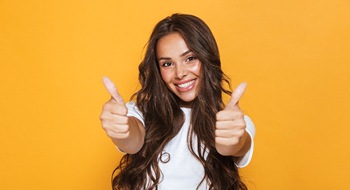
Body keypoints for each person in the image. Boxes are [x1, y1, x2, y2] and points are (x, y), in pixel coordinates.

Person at [100, 13, 256, 190]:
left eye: (190, 58)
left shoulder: (233, 122)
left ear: (207, 59)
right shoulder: (140, 113)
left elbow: (237, 145)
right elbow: (133, 140)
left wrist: (233, 140)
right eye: (167, 64)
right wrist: (122, 130)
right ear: (158, 70)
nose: (180, 73)